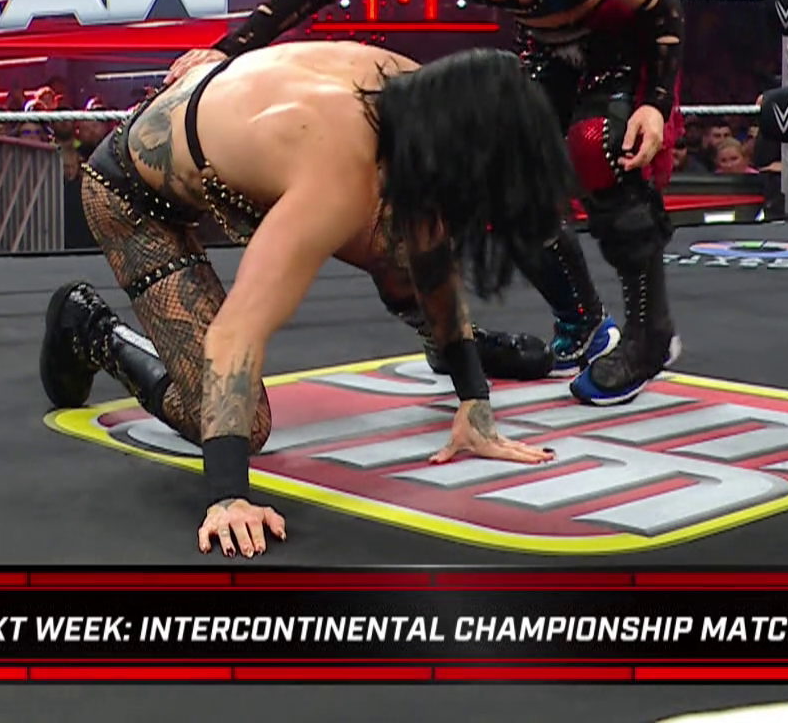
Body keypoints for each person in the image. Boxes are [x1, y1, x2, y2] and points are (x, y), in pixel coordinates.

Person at [165, 0, 685, 407]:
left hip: (625, 44)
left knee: (598, 147)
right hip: (546, 49)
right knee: (499, 172)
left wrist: (654, 104)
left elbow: (662, 9)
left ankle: (650, 334)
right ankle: (584, 324)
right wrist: (228, 49)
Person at [41, 43, 568, 559]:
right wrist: (228, 497)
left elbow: (426, 240)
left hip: (212, 130)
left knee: (400, 238)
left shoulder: (410, 86)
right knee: (240, 424)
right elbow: (235, 333)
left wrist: (474, 400)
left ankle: (456, 366)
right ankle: (90, 329)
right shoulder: (339, 169)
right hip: (130, 195)